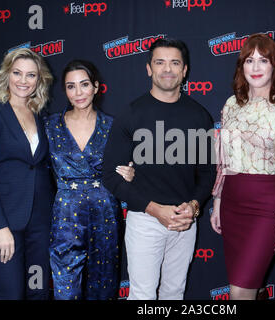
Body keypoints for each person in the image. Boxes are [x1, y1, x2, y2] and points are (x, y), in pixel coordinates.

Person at [102, 38, 216, 300]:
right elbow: (110, 175)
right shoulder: (131, 114)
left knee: (174, 293)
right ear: (148, 69)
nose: (167, 69)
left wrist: (194, 206)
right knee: (142, 296)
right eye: (160, 62)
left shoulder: (199, 115)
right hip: (145, 220)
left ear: (185, 70)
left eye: (175, 62)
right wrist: (154, 209)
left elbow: (208, 172)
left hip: (184, 221)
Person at [210, 33, 275, 300]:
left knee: (240, 292)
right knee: (251, 286)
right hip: (232, 203)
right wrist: (217, 200)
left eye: (263, 60)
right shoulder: (232, 105)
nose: (255, 67)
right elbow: (224, 158)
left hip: (267, 207)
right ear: (241, 66)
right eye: (249, 60)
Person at [44, 60, 135, 300]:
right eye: (71, 86)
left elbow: (131, 168)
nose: (78, 93)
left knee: (103, 287)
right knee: (65, 289)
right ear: (64, 91)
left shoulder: (113, 126)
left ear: (96, 87)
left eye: (84, 85)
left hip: (105, 213)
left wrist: (131, 174)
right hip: (65, 217)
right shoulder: (50, 126)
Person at [0, 48, 55, 299]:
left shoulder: (40, 114)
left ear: (39, 80)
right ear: (6, 74)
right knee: (11, 293)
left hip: (40, 221)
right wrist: (0, 226)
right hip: (5, 222)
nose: (23, 80)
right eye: (17, 73)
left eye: (31, 75)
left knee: (38, 291)